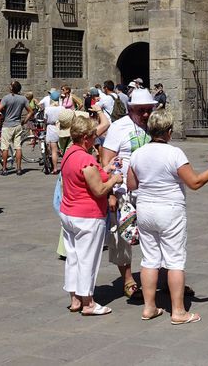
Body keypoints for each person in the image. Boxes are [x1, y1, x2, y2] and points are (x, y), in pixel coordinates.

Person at [128, 109, 208, 324]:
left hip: (145, 209)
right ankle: (178, 311)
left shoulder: (138, 153)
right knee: (175, 261)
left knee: (149, 259)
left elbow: (132, 184)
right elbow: (195, 182)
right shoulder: (174, 153)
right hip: (169, 210)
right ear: (169, 132)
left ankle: (149, 307)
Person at [59, 114, 123, 314]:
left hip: (68, 213)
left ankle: (75, 299)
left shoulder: (69, 153)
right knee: (88, 259)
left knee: (73, 257)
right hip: (86, 216)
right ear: (85, 137)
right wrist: (114, 179)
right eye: (93, 135)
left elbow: (86, 176)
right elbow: (99, 190)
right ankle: (88, 302)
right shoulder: (86, 159)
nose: (96, 138)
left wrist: (104, 169)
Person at [100, 87, 155, 298]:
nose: (146, 114)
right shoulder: (118, 127)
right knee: (121, 236)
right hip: (123, 191)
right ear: (131, 109)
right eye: (141, 110)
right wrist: (110, 193)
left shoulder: (153, 125)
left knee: (156, 234)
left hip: (149, 190)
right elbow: (106, 160)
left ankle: (166, 276)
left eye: (148, 110)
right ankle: (128, 280)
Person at [0, 81, 28, 176]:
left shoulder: (6, 98)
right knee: (18, 147)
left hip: (7, 125)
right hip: (18, 124)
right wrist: (24, 121)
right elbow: (30, 111)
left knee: (5, 147)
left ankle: (4, 168)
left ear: (11, 88)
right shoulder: (23, 99)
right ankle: (19, 168)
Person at [44, 93, 63, 174]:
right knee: (64, 149)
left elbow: (45, 120)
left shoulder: (47, 109)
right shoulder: (62, 108)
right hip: (61, 128)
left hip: (51, 128)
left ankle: (55, 168)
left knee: (54, 150)